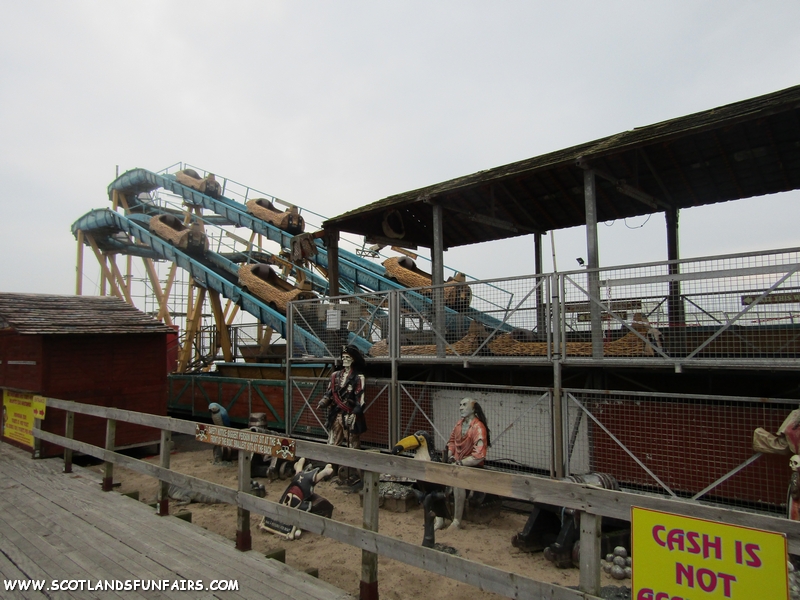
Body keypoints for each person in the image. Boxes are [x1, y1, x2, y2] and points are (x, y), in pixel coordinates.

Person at [317, 346, 367, 482]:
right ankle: (330, 470)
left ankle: (354, 473)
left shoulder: (358, 377)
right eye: (343, 357)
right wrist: (323, 402)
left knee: (352, 444)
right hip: (335, 414)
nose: (345, 360)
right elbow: (329, 393)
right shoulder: (335, 376)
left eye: (348, 358)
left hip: (349, 415)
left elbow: (360, 400)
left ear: (353, 360)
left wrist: (355, 414)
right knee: (333, 442)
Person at [442, 397, 491, 530]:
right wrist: (450, 455)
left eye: (464, 405)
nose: (460, 408)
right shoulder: (459, 424)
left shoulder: (478, 427)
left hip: (472, 466)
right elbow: (451, 442)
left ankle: (457, 521)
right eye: (460, 405)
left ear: (473, 408)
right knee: (438, 475)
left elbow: (479, 455)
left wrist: (461, 463)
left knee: (458, 481)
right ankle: (440, 517)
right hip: (456, 463)